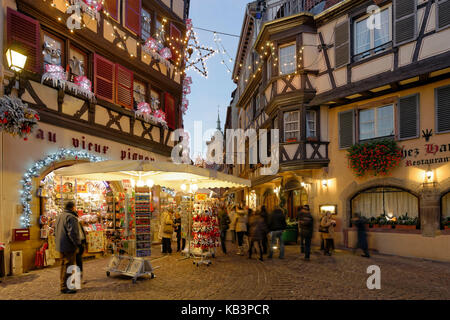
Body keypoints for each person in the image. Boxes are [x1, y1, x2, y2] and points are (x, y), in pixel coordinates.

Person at [55, 201, 80, 294]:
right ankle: (67, 286)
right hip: (68, 245)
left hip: (61, 245)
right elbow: (73, 233)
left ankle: (63, 285)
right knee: (69, 265)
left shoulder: (60, 216)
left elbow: (55, 231)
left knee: (63, 265)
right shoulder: (71, 217)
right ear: (72, 207)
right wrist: (77, 243)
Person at [76, 218, 87, 284]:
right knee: (76, 262)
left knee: (79, 262)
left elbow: (82, 234)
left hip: (80, 244)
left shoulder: (79, 223)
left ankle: (79, 278)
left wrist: (84, 243)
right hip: (76, 244)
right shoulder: (71, 222)